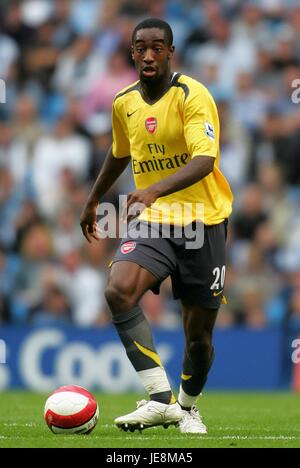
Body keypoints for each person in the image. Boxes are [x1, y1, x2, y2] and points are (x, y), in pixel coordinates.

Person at [80, 18, 233, 434]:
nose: (148, 55)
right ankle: (160, 399)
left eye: (157, 48)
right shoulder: (123, 103)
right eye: (140, 48)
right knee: (118, 289)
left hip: (203, 221)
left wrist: (153, 190)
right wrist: (94, 199)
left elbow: (205, 161)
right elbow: (119, 152)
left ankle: (188, 406)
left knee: (198, 338)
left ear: (170, 52)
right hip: (155, 222)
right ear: (132, 53)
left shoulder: (192, 95)